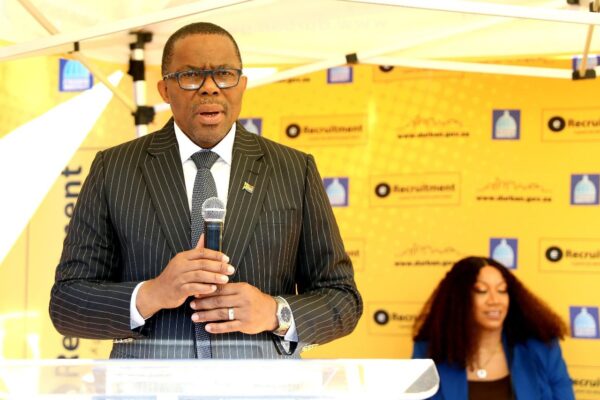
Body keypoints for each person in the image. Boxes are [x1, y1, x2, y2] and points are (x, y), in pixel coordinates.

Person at [49, 22, 362, 359]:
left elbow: (342, 298)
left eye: (224, 74)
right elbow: (68, 304)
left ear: (242, 85)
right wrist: (153, 293)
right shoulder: (114, 169)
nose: (210, 88)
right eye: (190, 76)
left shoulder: (294, 170)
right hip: (149, 384)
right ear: (164, 90)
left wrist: (275, 312)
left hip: (262, 385)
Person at [412, 256, 574, 400]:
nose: (495, 300)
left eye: (502, 290)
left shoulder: (542, 349)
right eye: (481, 291)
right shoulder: (428, 352)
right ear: (459, 300)